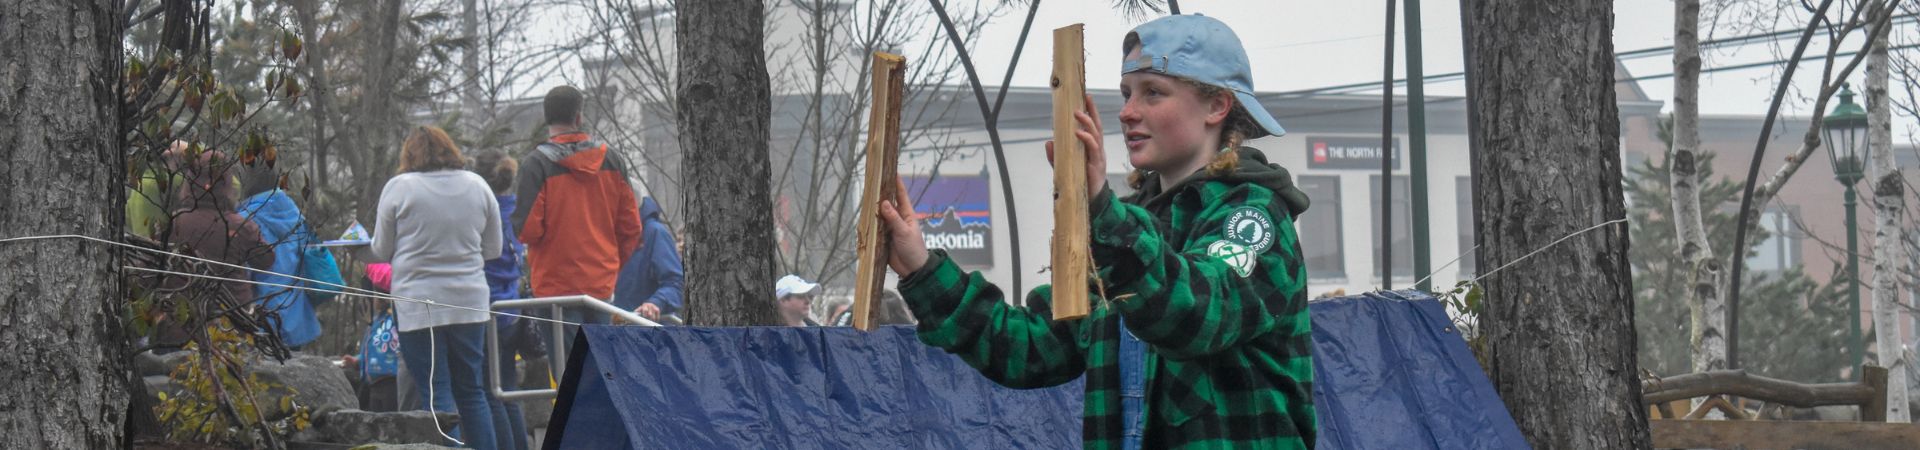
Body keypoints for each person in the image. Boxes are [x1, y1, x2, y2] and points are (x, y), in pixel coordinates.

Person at [875, 15, 1314, 449]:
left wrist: (1101, 209)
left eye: (1153, 93)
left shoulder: (1254, 216)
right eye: (1126, 94)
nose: (1127, 112)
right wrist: (921, 267)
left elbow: (1195, 315)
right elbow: (1030, 348)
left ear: (1217, 106)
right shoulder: (1120, 231)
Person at [368, 126, 503, 450]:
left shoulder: (400, 188)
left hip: (418, 306)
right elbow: (494, 248)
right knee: (473, 392)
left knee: (436, 392)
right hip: (470, 301)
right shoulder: (477, 185)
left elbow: (380, 250)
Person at [512, 86, 642, 351]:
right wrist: (610, 265)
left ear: (546, 118)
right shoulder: (612, 161)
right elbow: (631, 227)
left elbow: (527, 230)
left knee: (568, 375)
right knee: (600, 371)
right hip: (600, 285)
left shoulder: (536, 165)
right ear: (579, 116)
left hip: (555, 287)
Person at [161, 149, 273, 350]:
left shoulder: (174, 222)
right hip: (230, 324)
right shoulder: (240, 225)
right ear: (228, 183)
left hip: (178, 325)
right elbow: (266, 260)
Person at [238, 166, 337, 351]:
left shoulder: (244, 219)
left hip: (261, 320)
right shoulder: (294, 215)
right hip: (296, 316)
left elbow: (242, 276)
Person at [472, 149, 531, 450]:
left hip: (489, 307)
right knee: (506, 388)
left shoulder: (483, 210)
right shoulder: (517, 208)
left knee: (487, 390)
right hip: (513, 307)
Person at [612, 196, 684, 323]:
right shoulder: (607, 235)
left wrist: (655, 303)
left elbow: (675, 283)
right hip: (612, 329)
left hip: (646, 332)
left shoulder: (655, 233)